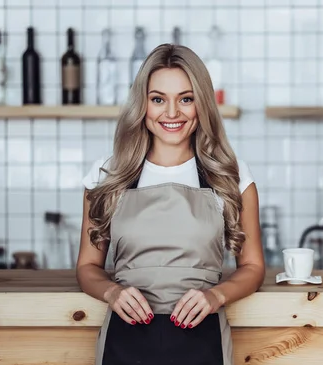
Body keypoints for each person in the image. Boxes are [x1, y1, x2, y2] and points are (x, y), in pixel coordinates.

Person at [76, 44, 265, 365]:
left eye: (186, 99)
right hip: (125, 337)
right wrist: (112, 292)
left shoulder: (231, 176)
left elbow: (253, 267)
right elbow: (87, 267)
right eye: (158, 99)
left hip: (203, 337)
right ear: (143, 105)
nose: (172, 113)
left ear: (201, 105)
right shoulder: (106, 174)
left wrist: (216, 295)